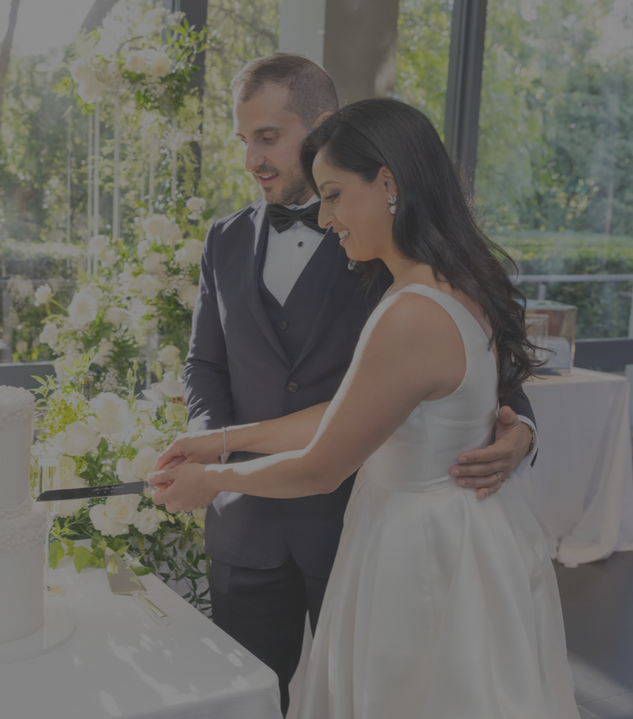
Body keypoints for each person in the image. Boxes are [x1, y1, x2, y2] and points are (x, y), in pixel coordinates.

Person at [151, 98, 578, 718]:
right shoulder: (451, 281)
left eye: (333, 195)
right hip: (458, 530)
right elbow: (351, 414)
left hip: (419, 546)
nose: (325, 219)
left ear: (387, 184)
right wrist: (216, 439)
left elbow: (324, 464)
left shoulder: (410, 312)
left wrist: (210, 479)